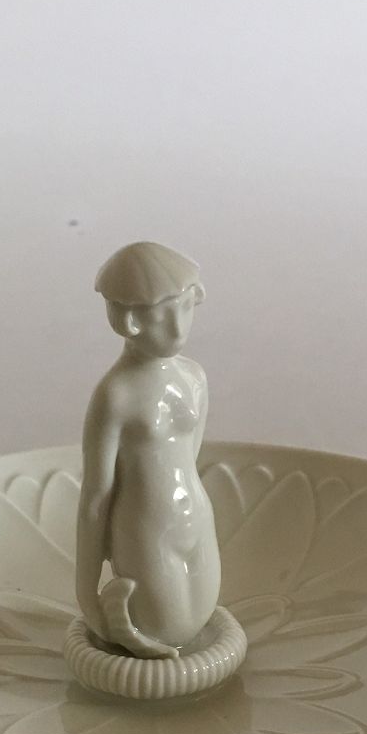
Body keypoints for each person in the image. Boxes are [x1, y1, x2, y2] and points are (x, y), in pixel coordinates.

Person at [75, 242, 221, 658]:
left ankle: (132, 627)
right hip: (144, 530)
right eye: (163, 314)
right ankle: (121, 623)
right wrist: (86, 590)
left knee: (197, 618)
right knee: (167, 627)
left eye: (186, 308)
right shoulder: (116, 395)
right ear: (130, 320)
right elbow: (96, 494)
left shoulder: (193, 378)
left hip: (195, 515)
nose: (178, 329)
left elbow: (189, 458)